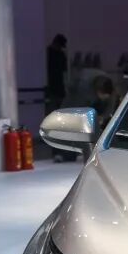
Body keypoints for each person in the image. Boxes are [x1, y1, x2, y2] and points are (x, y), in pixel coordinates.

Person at [46, 34, 73, 162]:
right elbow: (64, 73)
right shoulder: (57, 54)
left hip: (54, 91)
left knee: (55, 122)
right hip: (56, 91)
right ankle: (58, 150)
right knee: (58, 122)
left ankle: (58, 150)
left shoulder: (49, 53)